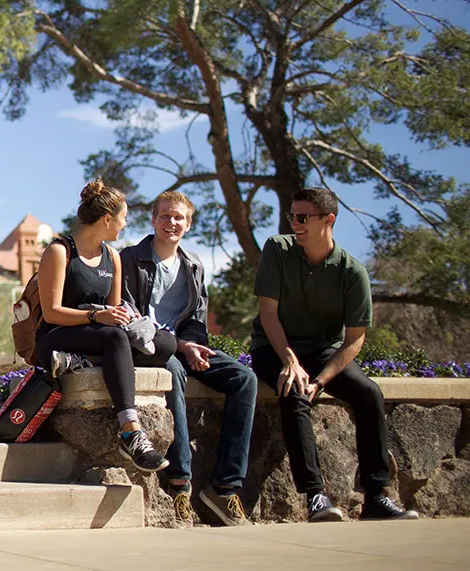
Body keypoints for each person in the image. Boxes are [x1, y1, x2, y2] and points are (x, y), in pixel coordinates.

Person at [250, 187, 418, 522]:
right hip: (274, 346)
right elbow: (268, 313)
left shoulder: (353, 273)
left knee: (369, 393)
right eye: (291, 216)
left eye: (302, 218)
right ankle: (315, 496)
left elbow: (354, 340)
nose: (294, 223)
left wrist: (322, 380)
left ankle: (376, 497)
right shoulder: (277, 249)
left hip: (324, 353)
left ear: (329, 220)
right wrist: (291, 363)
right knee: (293, 390)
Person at [120, 190, 258, 527]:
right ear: (153, 220)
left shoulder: (194, 264)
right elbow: (131, 318)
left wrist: (194, 347)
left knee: (245, 379)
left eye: (178, 217)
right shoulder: (129, 258)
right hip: (150, 349)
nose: (171, 222)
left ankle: (224, 489)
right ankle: (180, 484)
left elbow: (197, 317)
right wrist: (181, 348)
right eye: (165, 215)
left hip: (184, 347)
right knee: (175, 372)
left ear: (189, 224)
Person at [35, 179, 176, 472]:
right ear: (107, 219)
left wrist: (126, 317)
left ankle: (82, 361)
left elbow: (113, 309)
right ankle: (130, 431)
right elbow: (51, 313)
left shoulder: (112, 257)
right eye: (123, 218)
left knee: (164, 343)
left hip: (98, 334)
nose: (124, 225)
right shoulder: (60, 252)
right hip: (56, 336)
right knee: (113, 338)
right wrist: (95, 317)